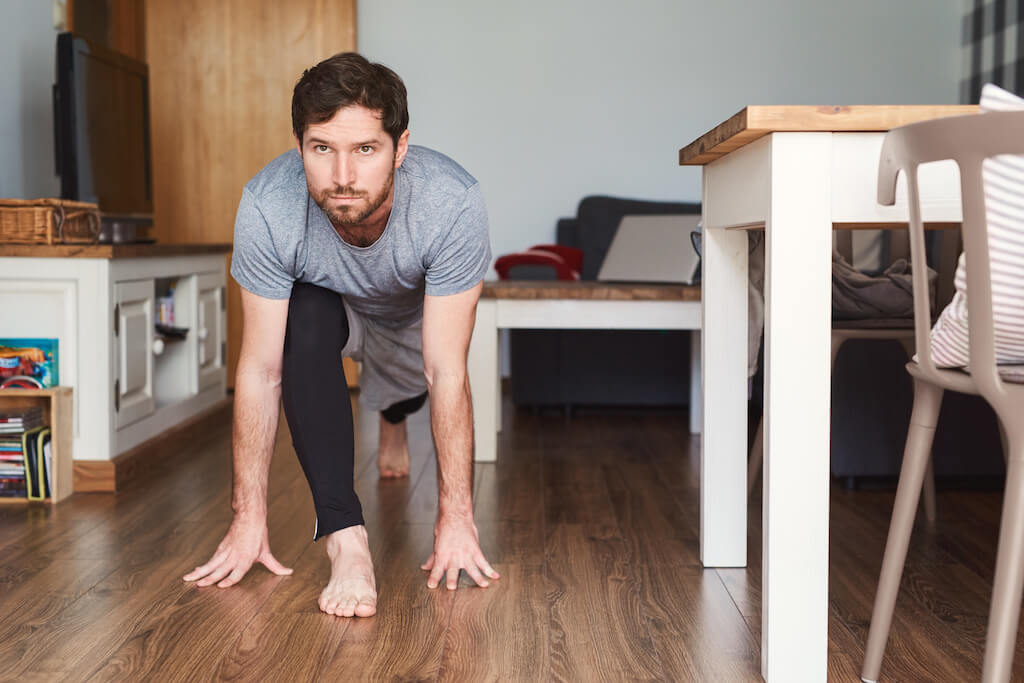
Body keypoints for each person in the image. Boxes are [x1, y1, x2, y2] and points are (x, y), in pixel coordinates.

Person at [182, 52, 499, 617]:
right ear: (299, 143)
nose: (343, 177)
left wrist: (456, 517)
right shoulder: (267, 204)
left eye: (366, 150)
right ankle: (345, 537)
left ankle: (392, 419)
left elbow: (446, 368)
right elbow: (260, 370)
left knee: (407, 388)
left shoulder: (452, 202)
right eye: (322, 149)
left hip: (408, 318)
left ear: (400, 148)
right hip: (335, 312)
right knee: (302, 319)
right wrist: (247, 514)